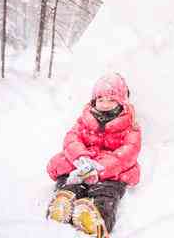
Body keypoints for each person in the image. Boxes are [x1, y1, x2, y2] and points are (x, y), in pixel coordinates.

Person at [46, 73, 141, 237]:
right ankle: (64, 202)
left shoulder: (130, 125)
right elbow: (72, 138)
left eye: (111, 100)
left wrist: (101, 168)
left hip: (111, 171)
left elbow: (128, 153)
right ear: (93, 100)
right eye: (100, 99)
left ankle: (96, 216)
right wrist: (81, 159)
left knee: (106, 192)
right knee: (70, 179)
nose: (105, 104)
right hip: (83, 165)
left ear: (122, 102)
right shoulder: (85, 119)